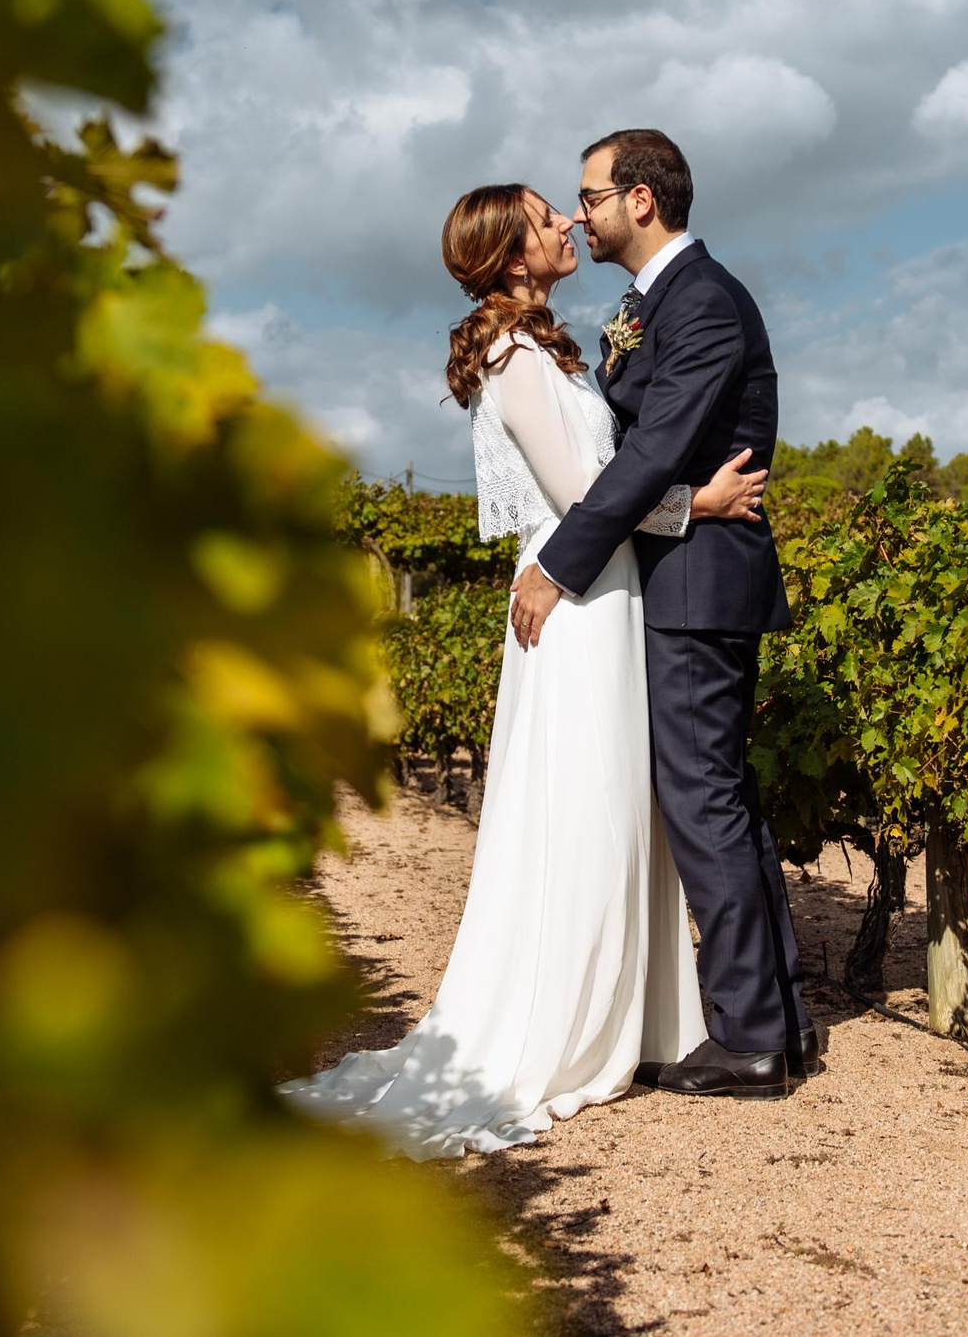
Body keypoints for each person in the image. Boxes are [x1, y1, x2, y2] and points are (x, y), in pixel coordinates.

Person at [279, 182, 770, 1158]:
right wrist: (699, 504)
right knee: (585, 801)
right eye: (549, 219)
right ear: (513, 257)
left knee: (616, 801)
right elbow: (582, 491)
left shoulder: (548, 346)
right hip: (576, 596)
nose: (567, 225)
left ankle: (627, 1017)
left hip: (603, 585)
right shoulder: (510, 353)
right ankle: (565, 1024)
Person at [512, 128, 817, 1101]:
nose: (579, 214)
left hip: (698, 584)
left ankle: (751, 1037)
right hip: (678, 572)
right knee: (716, 795)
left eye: (589, 196)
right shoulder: (654, 304)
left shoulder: (705, 303)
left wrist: (558, 565)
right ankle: (776, 1021)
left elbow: (653, 452)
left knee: (702, 800)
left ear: (640, 199)